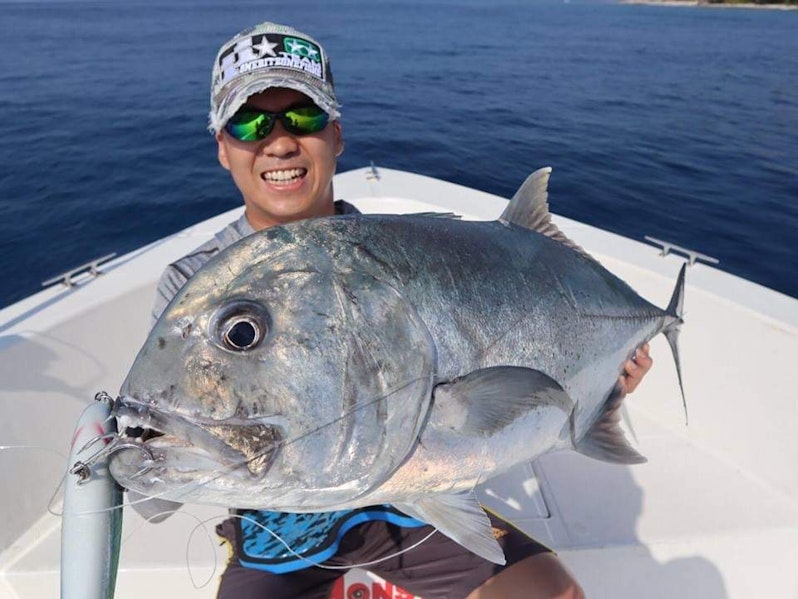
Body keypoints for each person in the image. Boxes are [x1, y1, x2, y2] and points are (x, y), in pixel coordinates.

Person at [150, 21, 653, 599]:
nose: (281, 142)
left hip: (411, 501)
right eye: (250, 123)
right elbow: (177, 442)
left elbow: (490, 384)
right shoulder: (195, 284)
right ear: (222, 147)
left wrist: (599, 385)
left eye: (303, 117)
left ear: (337, 136)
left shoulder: (402, 258)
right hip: (280, 526)